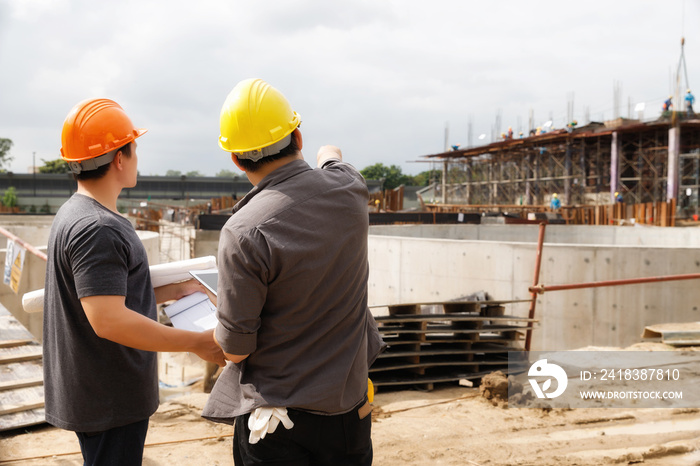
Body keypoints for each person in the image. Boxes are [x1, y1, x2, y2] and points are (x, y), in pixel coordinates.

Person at [202, 78, 386, 465]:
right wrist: (326, 155)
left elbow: (235, 349)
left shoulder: (243, 230)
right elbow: (332, 155)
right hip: (348, 416)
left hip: (279, 428)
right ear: (297, 135)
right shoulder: (349, 188)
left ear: (235, 159)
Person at [43, 98, 225, 466]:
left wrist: (177, 290)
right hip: (110, 398)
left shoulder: (75, 214)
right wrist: (194, 343)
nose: (137, 156)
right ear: (119, 158)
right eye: (134, 147)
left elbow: (103, 295)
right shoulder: (98, 228)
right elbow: (108, 319)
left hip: (98, 393)